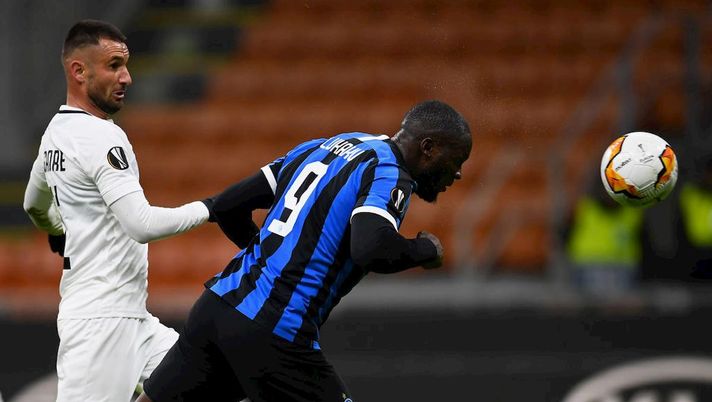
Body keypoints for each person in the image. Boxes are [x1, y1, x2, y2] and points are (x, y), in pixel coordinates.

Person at [136, 100, 472, 402]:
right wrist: (425, 249)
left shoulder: (326, 145)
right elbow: (371, 248)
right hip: (275, 330)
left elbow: (226, 207)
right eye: (456, 159)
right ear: (428, 148)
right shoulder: (389, 173)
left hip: (216, 306)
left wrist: (270, 257)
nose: (457, 173)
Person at [22, 20, 216, 401]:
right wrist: (211, 208)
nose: (127, 77)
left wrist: (57, 229)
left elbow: (33, 204)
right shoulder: (101, 136)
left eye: (126, 65)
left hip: (133, 319)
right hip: (101, 326)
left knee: (209, 381)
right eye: (114, 65)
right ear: (79, 71)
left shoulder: (55, 134)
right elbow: (141, 224)